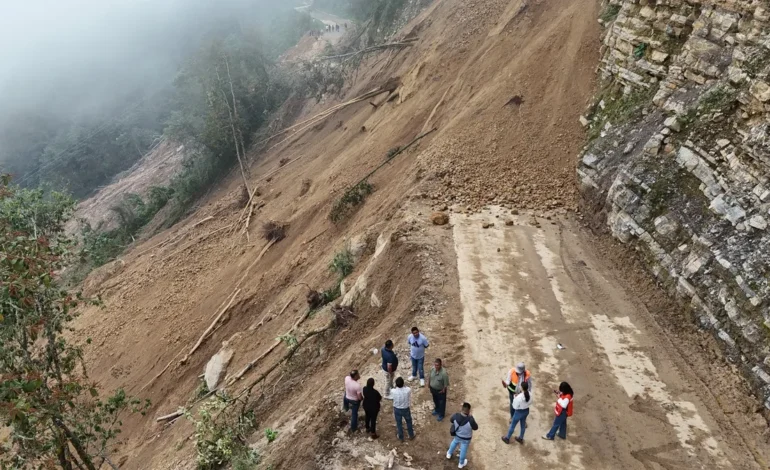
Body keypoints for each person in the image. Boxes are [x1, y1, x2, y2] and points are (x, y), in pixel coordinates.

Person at [446, 402, 478, 469]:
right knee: (463, 450)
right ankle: (461, 463)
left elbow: (451, 420)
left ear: (462, 409)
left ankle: (449, 454)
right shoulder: (470, 420)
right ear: (469, 411)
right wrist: (471, 417)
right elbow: (475, 428)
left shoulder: (455, 416)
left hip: (457, 435)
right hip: (466, 439)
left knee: (454, 442)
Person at [391, 377, 415, 441]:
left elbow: (392, 390)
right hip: (405, 409)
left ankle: (401, 437)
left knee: (399, 423)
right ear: (403, 383)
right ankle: (411, 435)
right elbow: (408, 388)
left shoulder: (393, 391)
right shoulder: (408, 390)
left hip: (397, 409)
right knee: (409, 421)